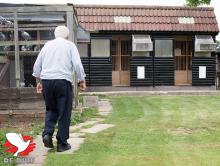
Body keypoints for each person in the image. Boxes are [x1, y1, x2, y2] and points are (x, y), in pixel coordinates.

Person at [32, 25, 86, 152]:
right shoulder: (70, 45)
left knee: (51, 109)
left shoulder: (47, 45)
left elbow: (37, 65)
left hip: (47, 82)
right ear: (67, 36)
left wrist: (38, 82)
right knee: (64, 112)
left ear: (55, 35)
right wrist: (81, 80)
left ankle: (47, 134)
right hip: (62, 81)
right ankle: (62, 143)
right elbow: (77, 64)